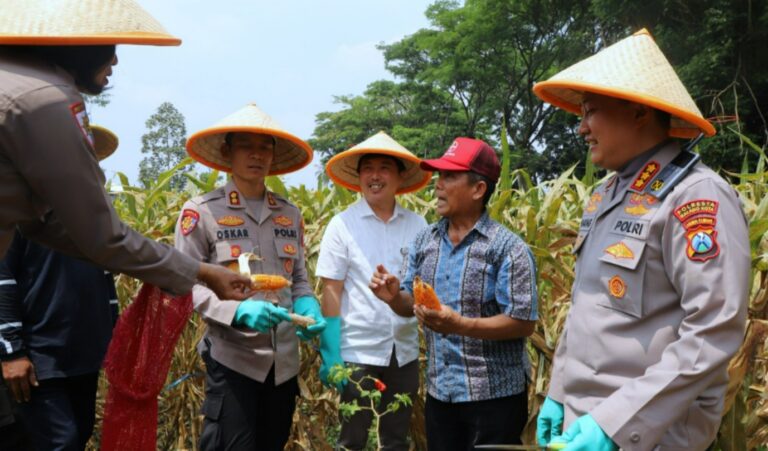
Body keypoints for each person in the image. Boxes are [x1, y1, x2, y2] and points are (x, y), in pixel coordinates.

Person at [532, 29, 750, 451]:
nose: (581, 129)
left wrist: (615, 426)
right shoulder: (606, 195)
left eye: (591, 111)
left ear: (637, 112)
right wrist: (558, 392)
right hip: (585, 424)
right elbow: (586, 307)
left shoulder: (694, 196)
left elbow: (713, 329)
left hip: (648, 435)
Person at [0, 0, 251, 300]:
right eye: (110, 45)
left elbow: (44, 224)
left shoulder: (14, 80)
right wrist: (202, 271)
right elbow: (103, 237)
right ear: (80, 45)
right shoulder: (46, 99)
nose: (115, 62)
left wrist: (194, 269)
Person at [176, 103, 327, 451]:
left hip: (284, 363)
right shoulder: (201, 212)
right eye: (246, 146)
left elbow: (299, 277)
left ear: (274, 156)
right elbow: (186, 283)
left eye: (265, 147)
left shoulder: (290, 214)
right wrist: (237, 312)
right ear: (227, 151)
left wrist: (308, 302)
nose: (257, 155)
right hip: (233, 359)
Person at [370, 137, 538, 450]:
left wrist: (459, 325)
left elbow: (523, 322)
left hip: (495, 398)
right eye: (439, 176)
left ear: (478, 190)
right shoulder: (425, 241)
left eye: (449, 177)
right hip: (441, 394)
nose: (438, 185)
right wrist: (394, 297)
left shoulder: (508, 249)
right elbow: (410, 303)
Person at [0, 125, 120, 451]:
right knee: (60, 442)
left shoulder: (96, 218)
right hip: (39, 357)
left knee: (78, 435)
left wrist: (113, 337)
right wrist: (11, 351)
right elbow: (3, 280)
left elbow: (106, 281)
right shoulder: (18, 209)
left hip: (83, 354)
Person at [317, 131, 431, 450]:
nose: (375, 176)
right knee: (351, 439)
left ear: (399, 177)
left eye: (384, 168)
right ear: (359, 177)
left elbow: (423, 288)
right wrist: (331, 352)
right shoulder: (342, 225)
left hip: (404, 351)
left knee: (395, 438)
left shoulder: (418, 225)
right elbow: (331, 289)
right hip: (358, 351)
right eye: (367, 168)